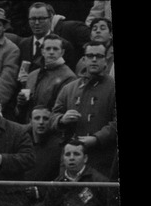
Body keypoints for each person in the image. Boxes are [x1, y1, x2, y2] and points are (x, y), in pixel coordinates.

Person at [50, 40, 117, 179]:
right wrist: (62, 119)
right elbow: (53, 115)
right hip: (72, 156)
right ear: (84, 59)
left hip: (102, 157)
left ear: (106, 60)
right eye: (90, 56)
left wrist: (96, 138)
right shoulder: (70, 88)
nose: (94, 59)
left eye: (98, 56)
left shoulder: (112, 87)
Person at [14, 34, 76, 120]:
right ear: (43, 51)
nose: (51, 52)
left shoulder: (69, 77)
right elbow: (21, 112)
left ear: (62, 52)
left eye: (55, 49)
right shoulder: (33, 75)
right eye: (48, 48)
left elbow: (63, 109)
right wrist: (21, 102)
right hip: (30, 126)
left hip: (51, 126)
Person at [17, 2, 77, 75]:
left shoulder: (64, 45)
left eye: (41, 18)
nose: (36, 22)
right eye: (33, 19)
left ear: (51, 18)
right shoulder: (23, 44)